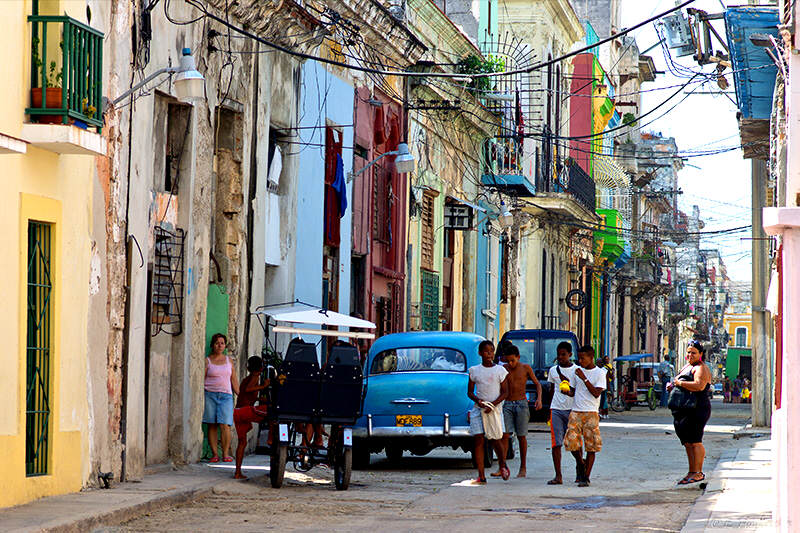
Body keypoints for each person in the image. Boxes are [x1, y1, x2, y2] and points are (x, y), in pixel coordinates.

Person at [489, 344, 541, 478]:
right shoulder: (503, 369)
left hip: (521, 404)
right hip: (507, 404)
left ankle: (523, 467)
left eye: (513, 360)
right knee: (505, 435)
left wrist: (539, 399)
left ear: (518, 357)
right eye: (508, 361)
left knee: (521, 435)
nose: (510, 363)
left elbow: (537, 384)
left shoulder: (525, 368)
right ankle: (503, 466)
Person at [668, 339, 713, 485]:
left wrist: (680, 383)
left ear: (700, 354)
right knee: (687, 442)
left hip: (697, 409)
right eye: (688, 352)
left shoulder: (701, 368)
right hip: (684, 410)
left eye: (693, 353)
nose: (690, 355)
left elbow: (699, 385)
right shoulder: (687, 366)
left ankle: (698, 472)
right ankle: (691, 471)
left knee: (695, 441)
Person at [563, 345, 606, 487]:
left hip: (591, 412)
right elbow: (574, 391)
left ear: (591, 357)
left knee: (591, 446)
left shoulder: (600, 373)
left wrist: (585, 378)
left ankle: (585, 477)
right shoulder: (577, 372)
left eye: (583, 358)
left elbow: (596, 393)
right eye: (579, 358)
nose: (580, 361)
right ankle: (581, 463)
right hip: (576, 411)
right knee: (570, 441)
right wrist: (566, 391)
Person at [467, 340, 510, 484]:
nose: (489, 354)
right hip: (479, 409)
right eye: (486, 351)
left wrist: (493, 404)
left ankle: (502, 464)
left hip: (494, 410)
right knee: (478, 440)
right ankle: (481, 475)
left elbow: (505, 392)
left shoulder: (500, 370)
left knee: (495, 438)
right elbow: (470, 392)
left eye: (491, 351)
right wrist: (479, 401)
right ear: (480, 353)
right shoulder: (474, 370)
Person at [546, 341, 579, 485]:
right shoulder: (553, 370)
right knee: (556, 443)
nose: (560, 357)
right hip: (556, 409)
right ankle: (558, 475)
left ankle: (580, 467)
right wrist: (549, 411)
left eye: (563, 354)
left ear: (570, 355)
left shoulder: (577, 371)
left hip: (573, 410)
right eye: (558, 355)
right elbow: (552, 390)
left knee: (574, 443)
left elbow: (580, 392)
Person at [203, 333, 240, 463]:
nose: (220, 345)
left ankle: (225, 454)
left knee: (225, 425)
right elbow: (202, 379)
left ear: (225, 346)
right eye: (217, 343)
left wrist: (239, 394)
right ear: (213, 345)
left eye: (222, 343)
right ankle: (214, 454)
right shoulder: (207, 361)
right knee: (212, 425)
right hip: (210, 395)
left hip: (226, 396)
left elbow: (233, 379)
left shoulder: (228, 361)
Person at [233, 356, 270, 479]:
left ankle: (238, 472)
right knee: (272, 412)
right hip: (246, 411)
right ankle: (270, 438)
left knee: (242, 443)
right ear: (261, 367)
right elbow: (249, 389)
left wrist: (259, 398)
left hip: (237, 411)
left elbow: (246, 394)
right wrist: (263, 387)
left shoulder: (246, 378)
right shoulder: (255, 377)